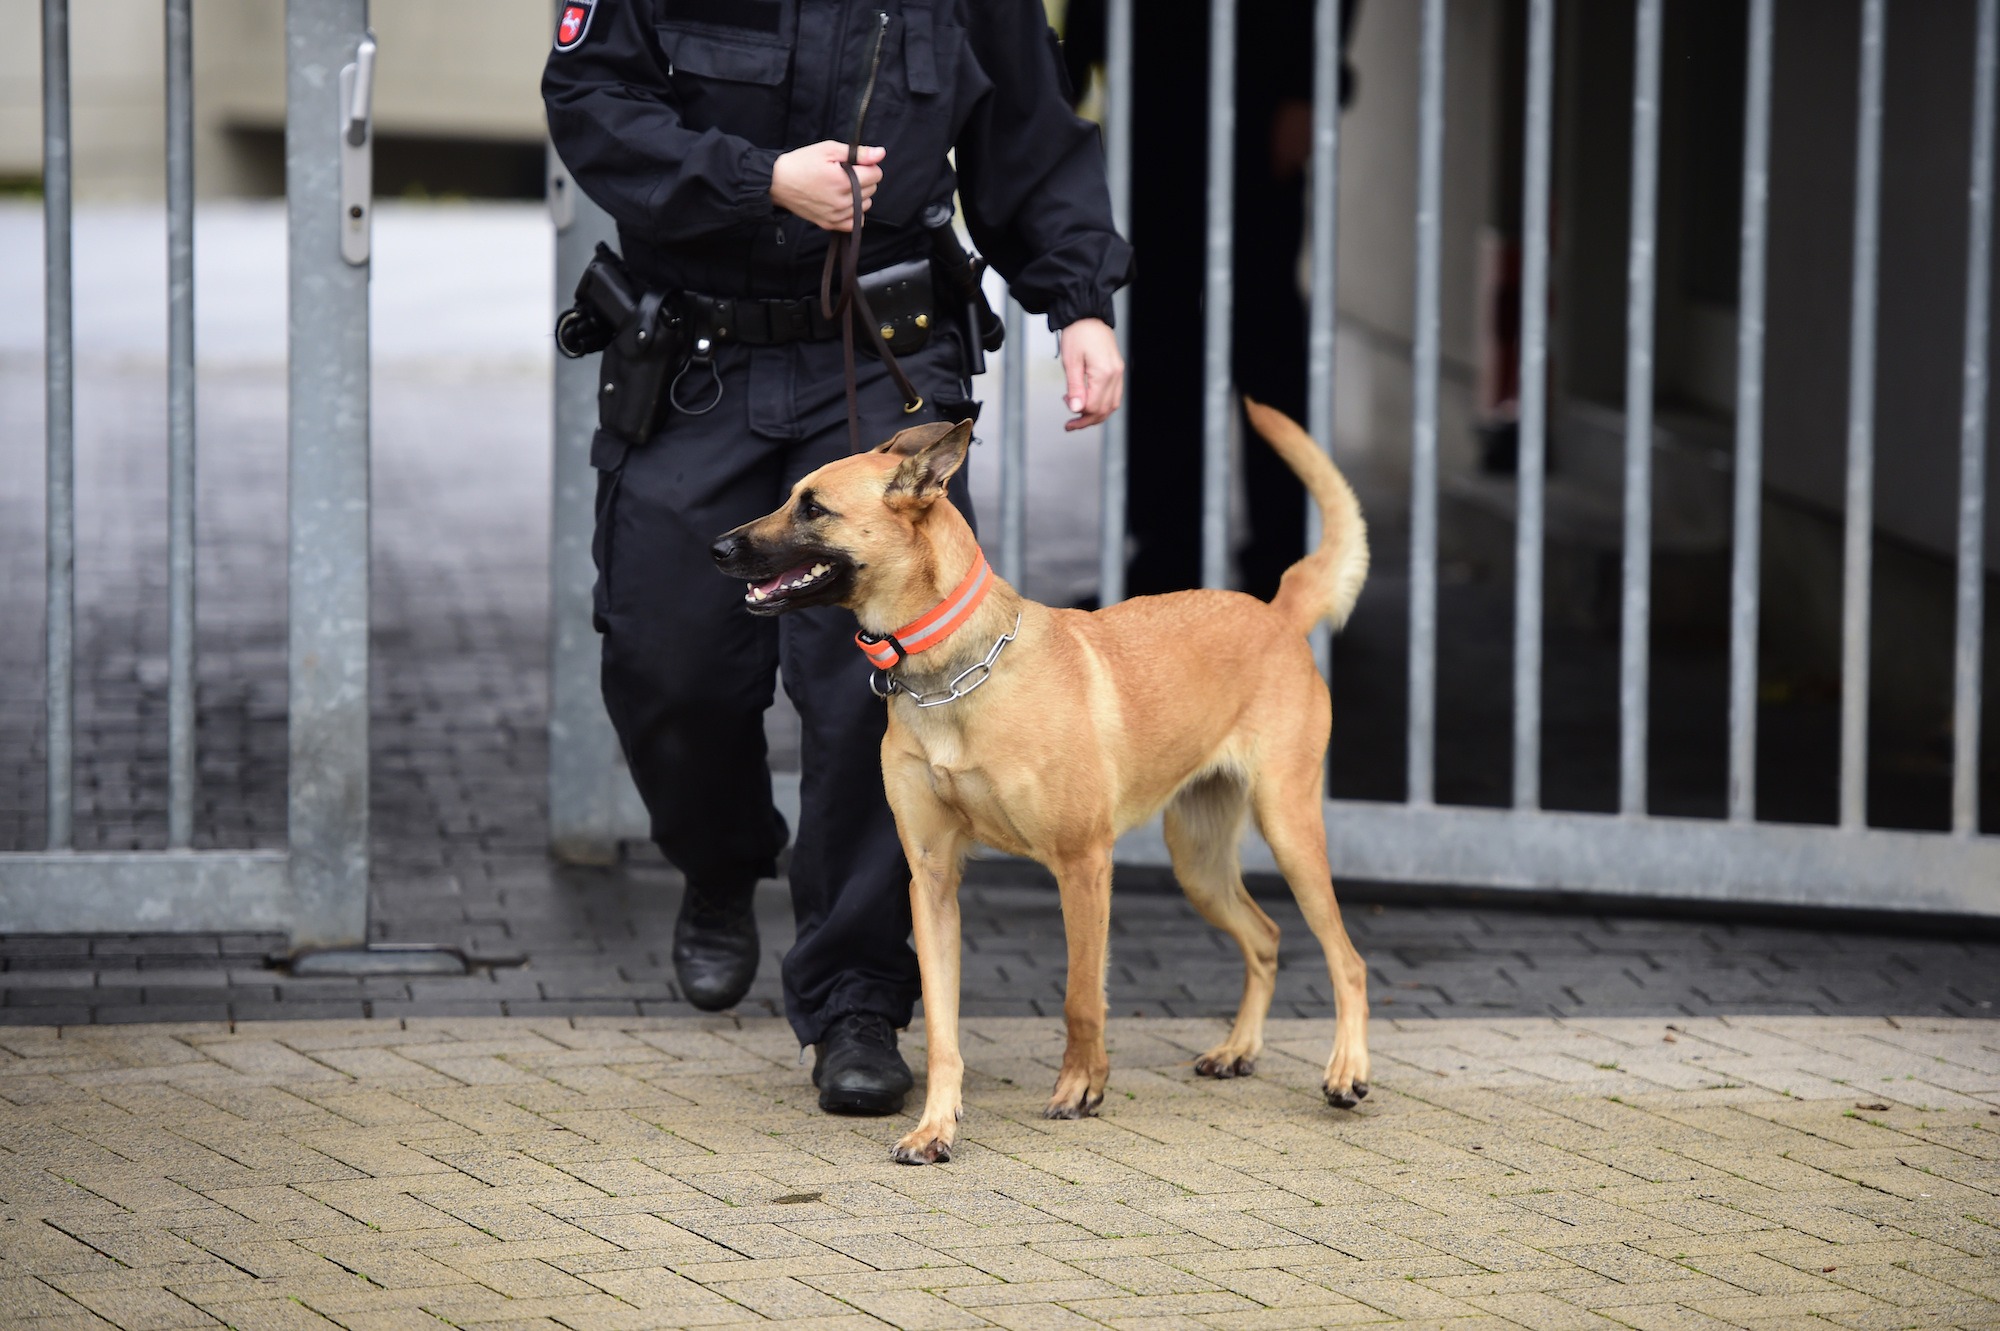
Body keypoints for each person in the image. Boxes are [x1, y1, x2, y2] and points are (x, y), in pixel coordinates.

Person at [543, 0, 1131, 1115]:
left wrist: (1079, 303)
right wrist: (757, 176)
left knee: (876, 692)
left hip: (876, 361)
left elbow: (1026, 133)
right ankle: (720, 857)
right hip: (698, 355)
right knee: (664, 660)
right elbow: (590, 98)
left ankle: (858, 994)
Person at [1063, 0, 1356, 600]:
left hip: (1260, 100)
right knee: (1160, 340)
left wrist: (1306, 90)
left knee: (1266, 341)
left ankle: (1286, 571)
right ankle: (1165, 569)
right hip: (1154, 101)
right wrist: (1067, 74)